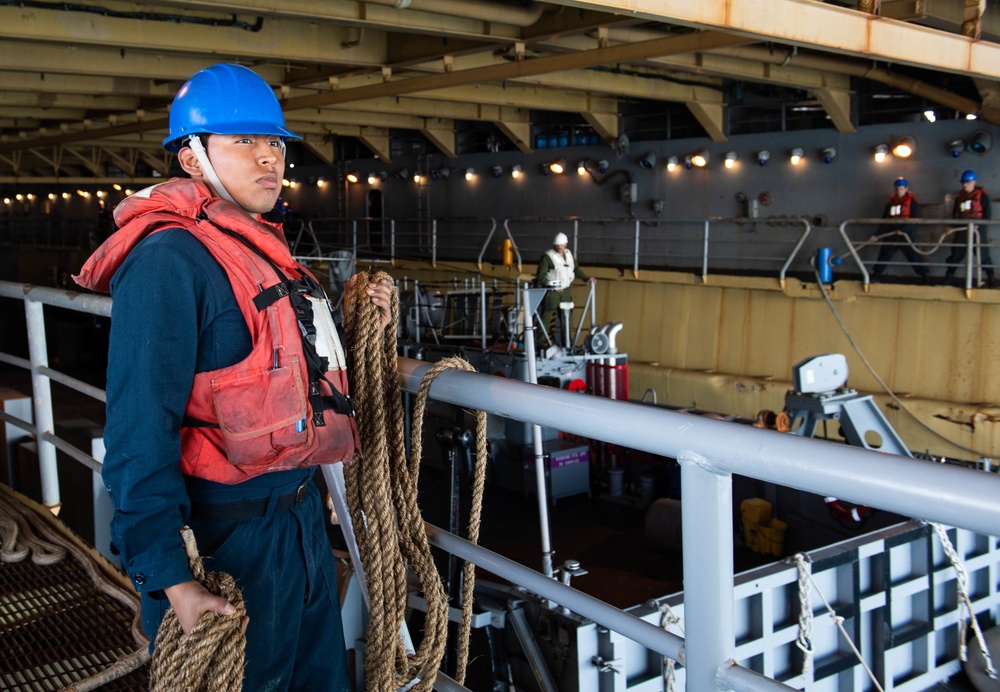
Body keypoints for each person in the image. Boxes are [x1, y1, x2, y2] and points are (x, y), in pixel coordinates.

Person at [73, 63, 392, 690]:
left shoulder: (259, 247)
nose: (268, 157)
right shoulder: (169, 262)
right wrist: (171, 578)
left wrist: (361, 330)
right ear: (193, 159)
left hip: (299, 522)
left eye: (273, 142)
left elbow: (288, 370)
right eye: (243, 141)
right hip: (229, 540)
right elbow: (140, 431)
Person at [535, 232, 595, 347]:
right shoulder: (547, 256)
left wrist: (586, 278)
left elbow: (576, 269)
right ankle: (539, 344)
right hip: (552, 292)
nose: (559, 247)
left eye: (561, 245)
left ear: (566, 245)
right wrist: (552, 285)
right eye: (557, 245)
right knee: (546, 317)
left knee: (566, 319)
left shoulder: (569, 255)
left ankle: (567, 345)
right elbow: (541, 275)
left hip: (566, 291)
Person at [870, 177, 928, 282]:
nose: (899, 191)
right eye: (897, 188)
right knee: (885, 254)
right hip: (891, 233)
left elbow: (915, 219)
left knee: (914, 254)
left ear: (906, 189)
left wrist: (904, 230)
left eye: (901, 188)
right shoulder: (890, 204)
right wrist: (877, 234)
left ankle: (925, 277)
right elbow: (884, 221)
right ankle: (876, 275)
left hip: (906, 234)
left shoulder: (912, 203)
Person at [944, 169, 995, 287]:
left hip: (977, 230)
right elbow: (956, 215)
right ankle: (949, 277)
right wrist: (952, 227)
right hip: (962, 229)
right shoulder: (959, 197)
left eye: (967, 182)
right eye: (963, 182)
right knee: (956, 254)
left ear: (974, 182)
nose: (964, 185)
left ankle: (991, 278)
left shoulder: (982, 196)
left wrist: (979, 225)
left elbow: (987, 214)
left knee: (982, 254)